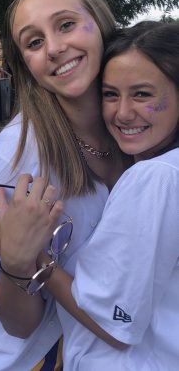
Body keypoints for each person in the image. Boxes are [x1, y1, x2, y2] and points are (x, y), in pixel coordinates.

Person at [0, 0, 128, 371]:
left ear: (99, 22)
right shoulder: (21, 154)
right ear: (25, 64)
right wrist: (17, 261)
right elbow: (17, 325)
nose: (54, 48)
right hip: (26, 359)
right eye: (34, 41)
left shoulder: (133, 130)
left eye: (66, 24)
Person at [38, 21, 179, 370]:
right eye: (111, 94)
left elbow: (113, 324)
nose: (122, 113)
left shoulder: (156, 177)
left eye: (143, 94)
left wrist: (30, 256)